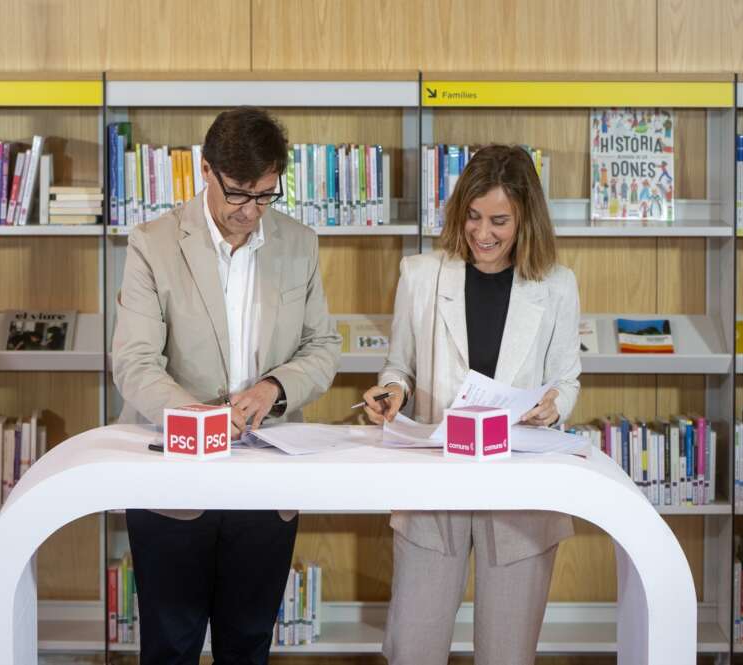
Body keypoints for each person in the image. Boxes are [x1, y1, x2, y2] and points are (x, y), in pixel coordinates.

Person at [111, 106, 342, 665]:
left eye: (266, 195)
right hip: (174, 477)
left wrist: (275, 389)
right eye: (239, 193)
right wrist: (199, 416)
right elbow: (135, 361)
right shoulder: (153, 243)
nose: (250, 212)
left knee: (248, 643)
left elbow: (323, 347)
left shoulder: (299, 243)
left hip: (267, 472)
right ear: (206, 171)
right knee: (171, 645)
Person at [360, 144, 581, 665]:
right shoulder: (420, 275)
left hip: (518, 487)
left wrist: (553, 406)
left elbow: (566, 380)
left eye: (500, 221)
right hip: (437, 480)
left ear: (526, 218)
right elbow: (400, 368)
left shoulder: (557, 285)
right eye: (473, 217)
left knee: (508, 653)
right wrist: (393, 392)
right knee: (413, 645)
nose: (483, 234)